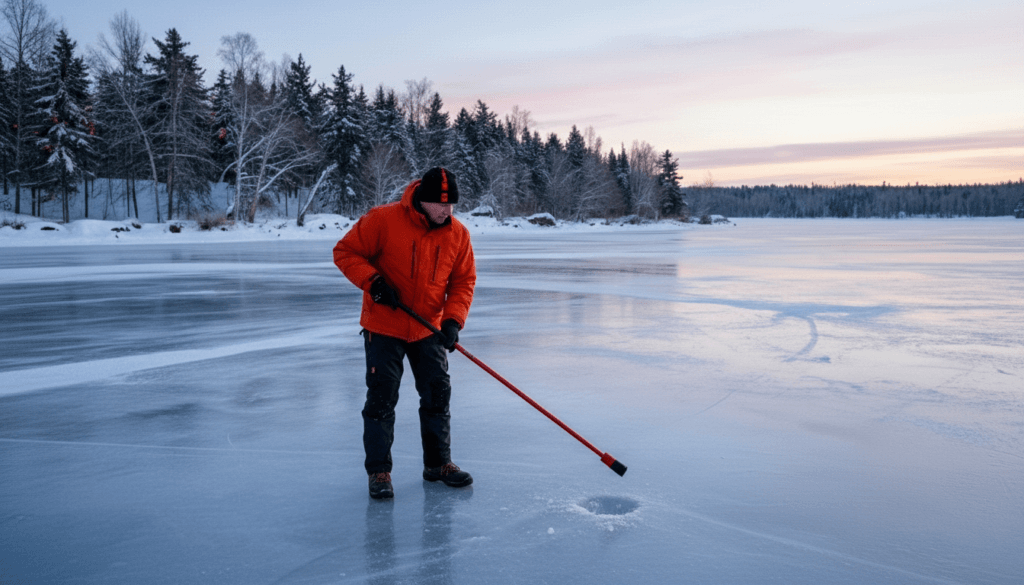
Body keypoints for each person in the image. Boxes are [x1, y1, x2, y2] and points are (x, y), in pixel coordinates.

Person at [334, 167, 476, 499]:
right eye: (440, 204)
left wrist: (453, 321)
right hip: (384, 326)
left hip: (429, 328)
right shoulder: (383, 220)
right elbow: (345, 252)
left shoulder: (458, 234)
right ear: (421, 200)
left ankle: (438, 465)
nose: (446, 211)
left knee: (438, 395)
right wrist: (374, 283)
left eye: (451, 205)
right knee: (382, 399)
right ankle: (379, 472)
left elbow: (462, 282)